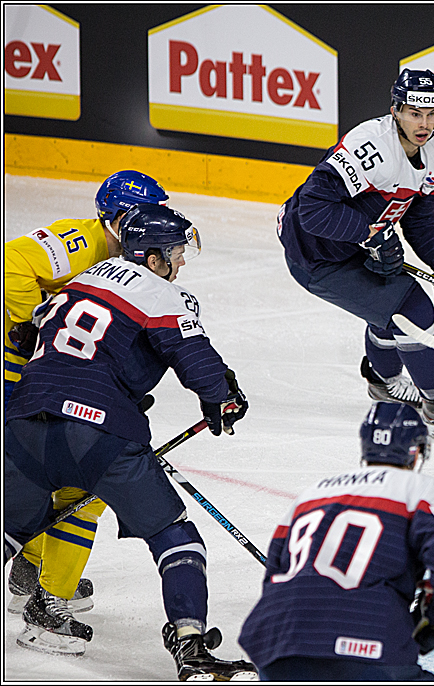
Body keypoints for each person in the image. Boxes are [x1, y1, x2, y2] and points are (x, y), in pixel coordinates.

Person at [4, 204, 256, 680]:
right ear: (152, 258)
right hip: (100, 434)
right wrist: (223, 397)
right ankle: (191, 647)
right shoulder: (162, 293)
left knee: (8, 531)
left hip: (23, 423)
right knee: (174, 536)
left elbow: (43, 334)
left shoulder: (80, 279)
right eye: (175, 253)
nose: (180, 263)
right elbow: (196, 359)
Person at [3, 170, 169, 653]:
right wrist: (29, 321)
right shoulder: (81, 242)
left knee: (51, 476)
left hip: (50, 378)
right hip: (22, 373)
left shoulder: (130, 261)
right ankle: (41, 581)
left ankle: (35, 573)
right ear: (116, 219)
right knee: (70, 477)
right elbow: (11, 263)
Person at [277, 68, 434, 443]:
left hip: (359, 244)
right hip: (316, 253)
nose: (424, 124)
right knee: (413, 310)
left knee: (386, 308)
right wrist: (368, 235)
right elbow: (312, 209)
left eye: (433, 113)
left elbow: (422, 224)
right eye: (414, 113)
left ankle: (384, 381)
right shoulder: (372, 145)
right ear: (395, 110)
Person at [238, 401, 434, 681]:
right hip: (362, 638)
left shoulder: (311, 494)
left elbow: (274, 572)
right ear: (416, 451)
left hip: (275, 640)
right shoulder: (419, 489)